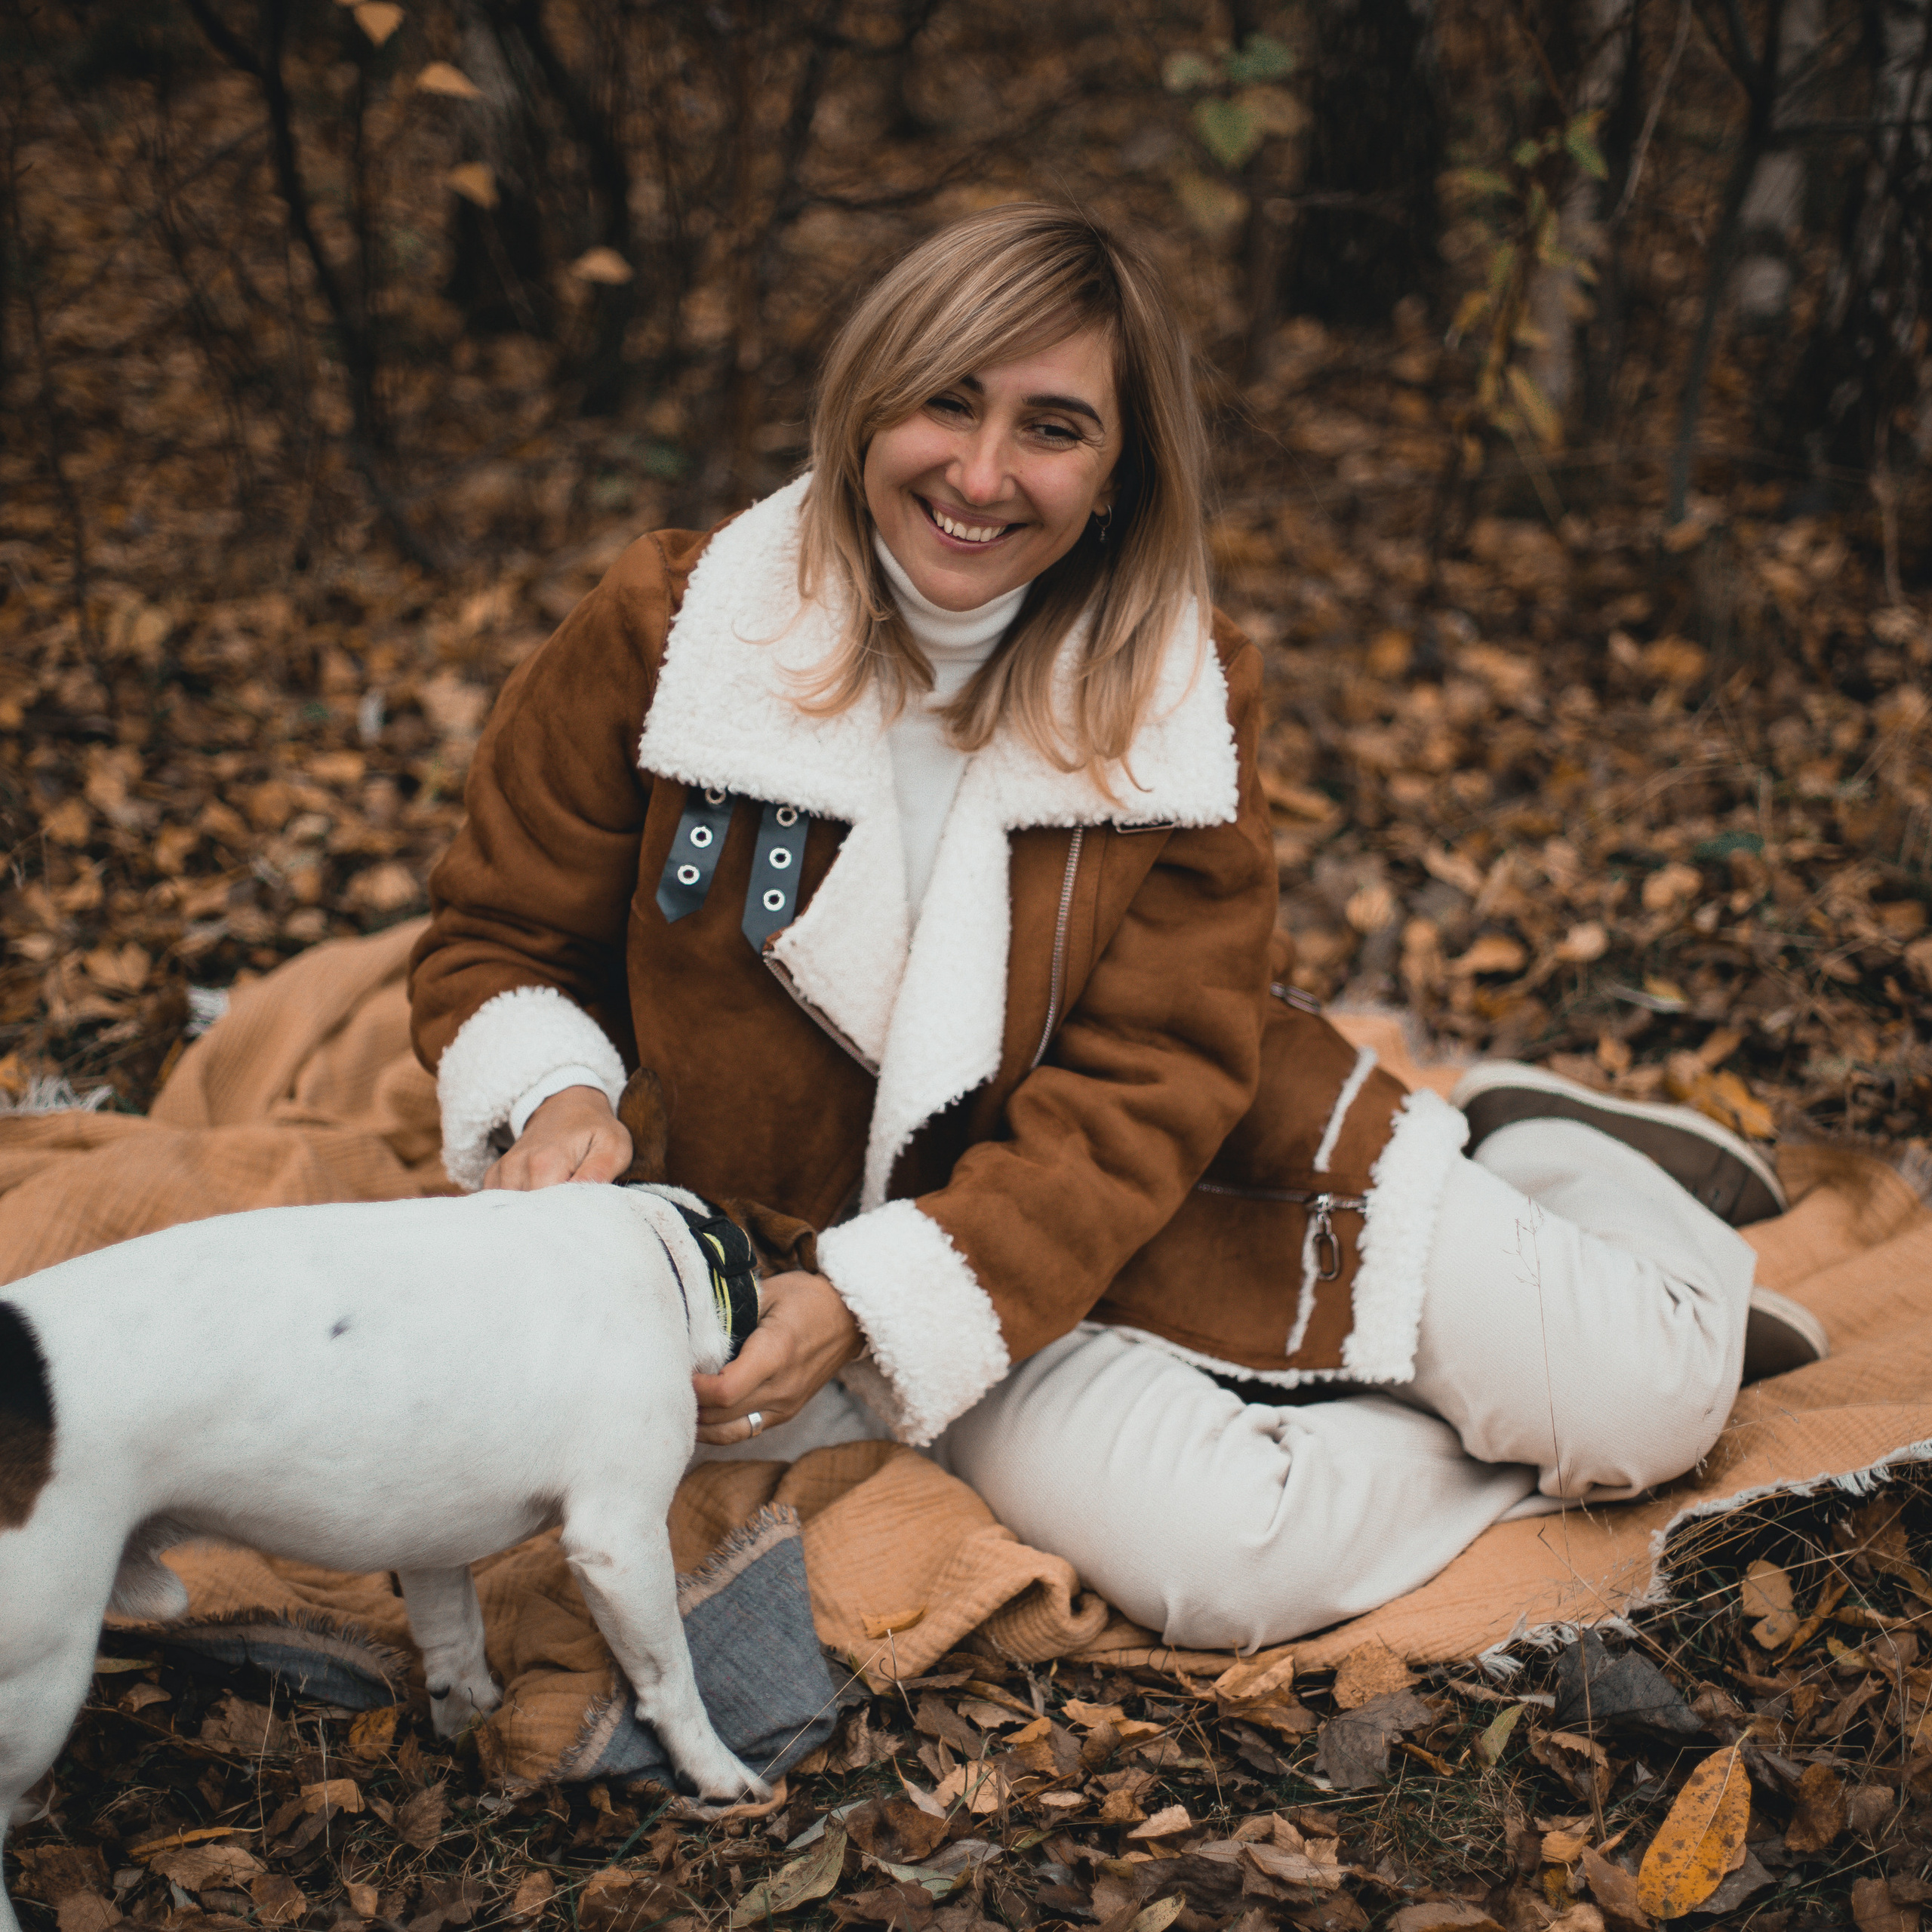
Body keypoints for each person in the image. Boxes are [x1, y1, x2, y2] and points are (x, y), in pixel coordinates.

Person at [409, 202, 1825, 1651]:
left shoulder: (1177, 687)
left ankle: (1552, 1155)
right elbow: (499, 939)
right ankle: (1452, 1339)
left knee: (1650, 1399)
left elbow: (1152, 1075)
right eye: (946, 403)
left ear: (1115, 468)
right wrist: (561, 1092)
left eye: (1052, 427)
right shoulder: (677, 624)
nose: (979, 474)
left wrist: (880, 1296)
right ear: (865, 403)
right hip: (918, 1303)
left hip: (1148, 1182)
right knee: (1228, 1569)